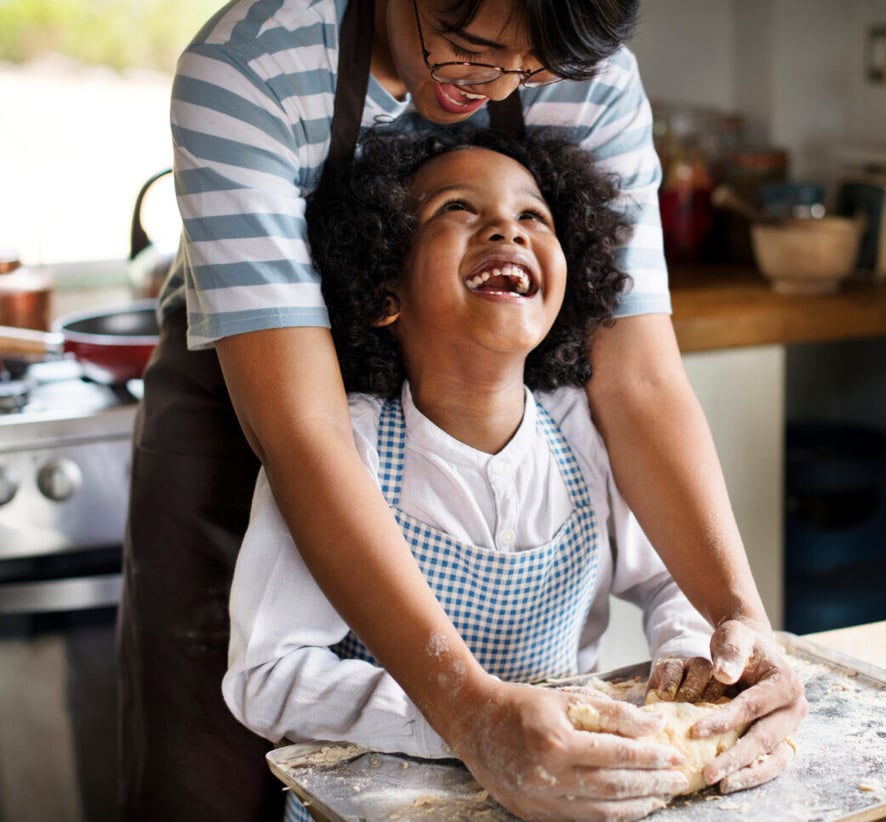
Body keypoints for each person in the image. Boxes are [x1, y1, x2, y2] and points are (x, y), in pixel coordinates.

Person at [118, 2, 807, 821]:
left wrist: (738, 622)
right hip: (255, 397)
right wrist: (466, 712)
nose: (497, 86)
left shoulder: (566, 437)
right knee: (208, 785)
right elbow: (305, 432)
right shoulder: (251, 68)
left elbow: (640, 383)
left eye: (532, 70)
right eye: (470, 51)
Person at [227, 125, 721, 820]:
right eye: (458, 209)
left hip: (562, 796)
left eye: (533, 216)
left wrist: (689, 660)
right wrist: (459, 722)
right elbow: (269, 678)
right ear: (381, 290)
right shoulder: (344, 450)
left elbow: (672, 578)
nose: (506, 229)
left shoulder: (587, 433)